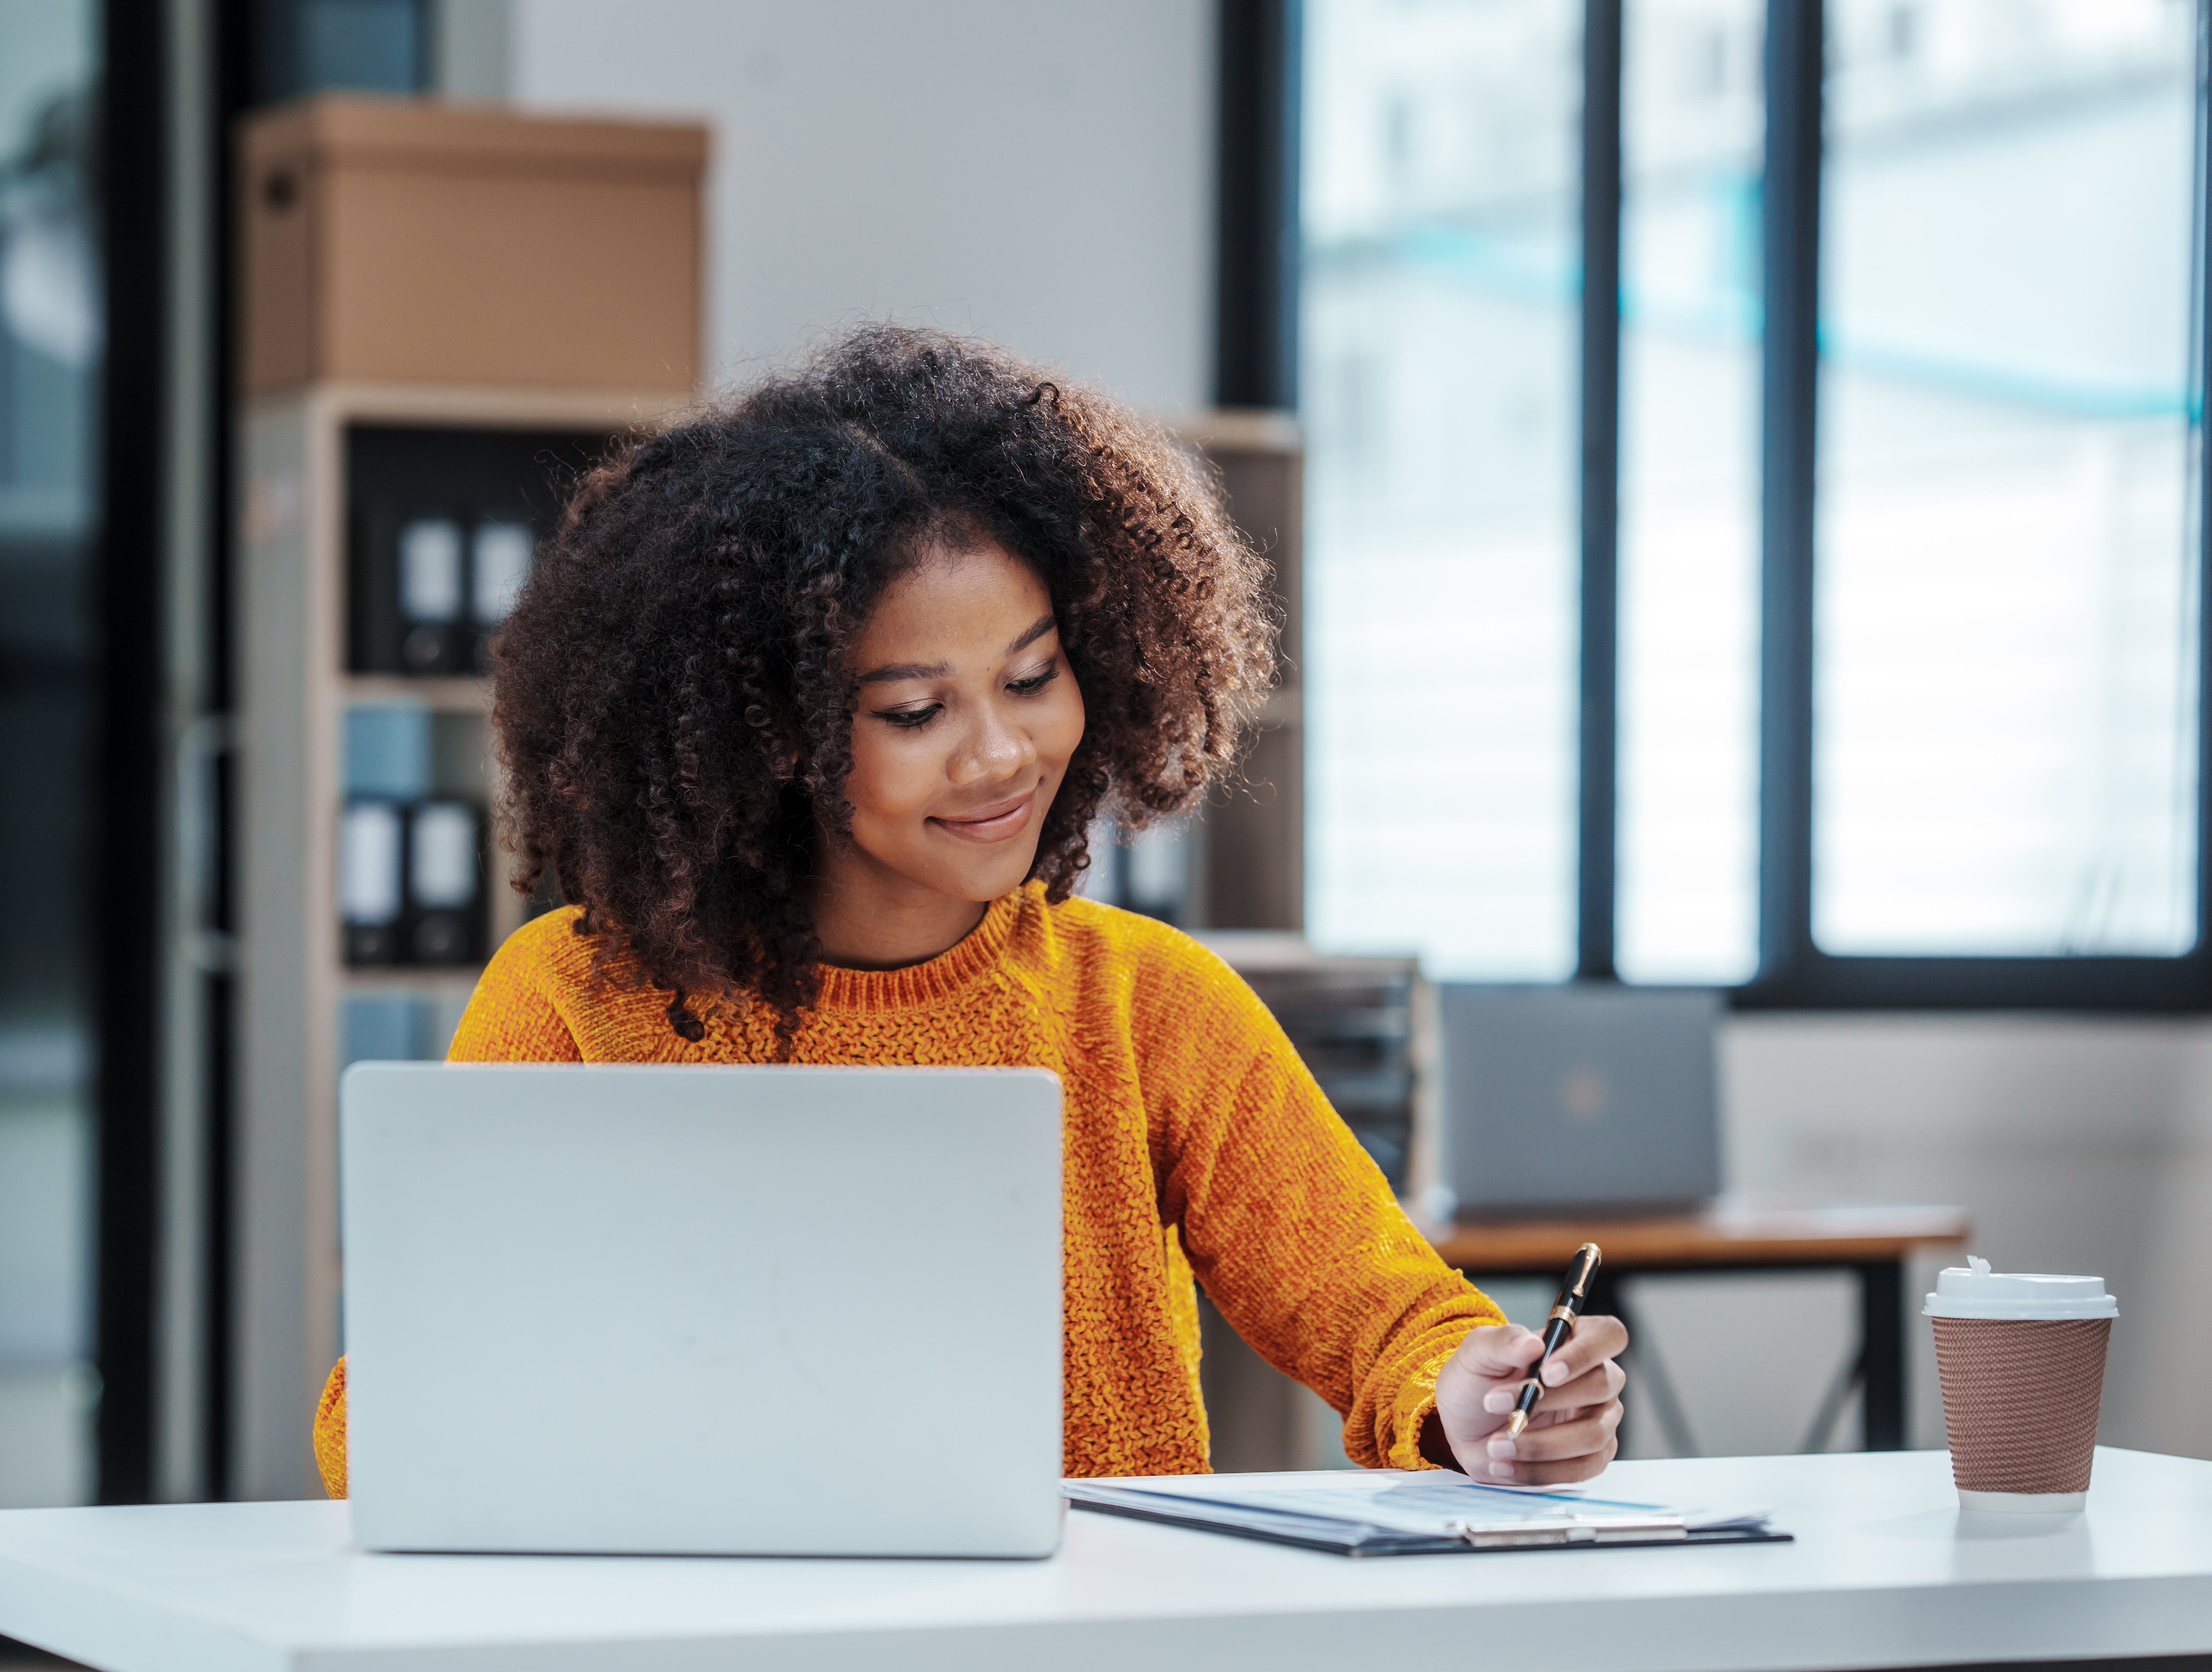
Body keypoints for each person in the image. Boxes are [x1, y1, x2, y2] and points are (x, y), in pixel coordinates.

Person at [311, 326, 1626, 1493]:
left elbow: (1390, 1316)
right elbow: (386, 1422)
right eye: (914, 710)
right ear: (773, 731)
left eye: (1034, 676)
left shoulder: (1147, 1003)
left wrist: (1477, 1393)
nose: (1000, 754)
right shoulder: (576, 999)